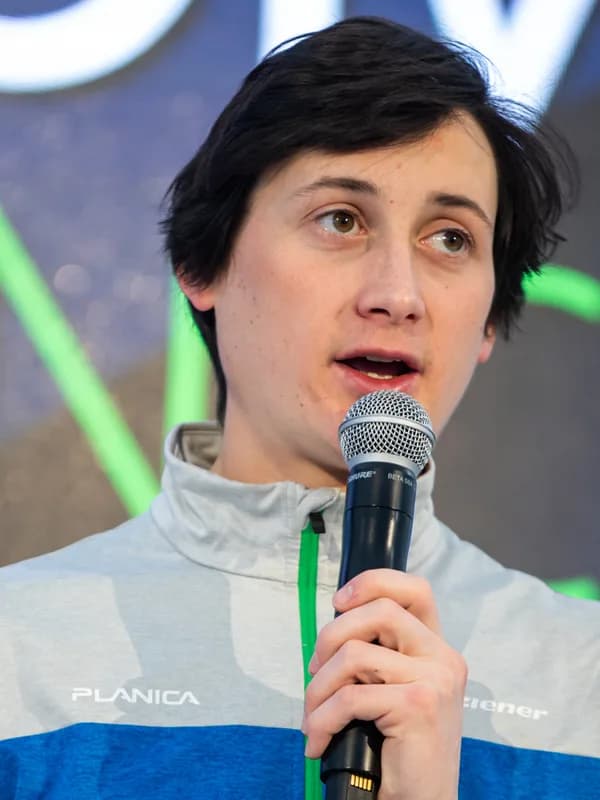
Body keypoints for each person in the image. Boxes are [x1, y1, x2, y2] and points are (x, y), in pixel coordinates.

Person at [0, 15, 598, 800]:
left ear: (490, 320)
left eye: (451, 238)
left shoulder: (581, 676)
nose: (399, 294)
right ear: (202, 264)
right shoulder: (20, 651)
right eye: (340, 220)